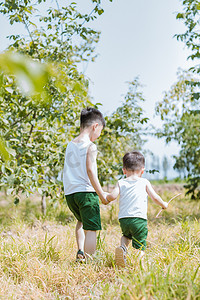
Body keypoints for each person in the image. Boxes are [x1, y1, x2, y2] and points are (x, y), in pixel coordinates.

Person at [105, 151, 168, 267]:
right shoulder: (144, 182)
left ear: (124, 170)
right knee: (140, 245)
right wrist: (164, 204)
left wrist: (106, 196)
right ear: (142, 171)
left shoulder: (121, 182)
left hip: (124, 219)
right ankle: (140, 265)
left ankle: (123, 249)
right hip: (139, 219)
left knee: (126, 236)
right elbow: (155, 197)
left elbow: (112, 196)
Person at [63, 107, 107, 262]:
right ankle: (90, 262)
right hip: (86, 193)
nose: (98, 136)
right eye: (99, 132)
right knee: (92, 229)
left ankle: (81, 252)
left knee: (81, 222)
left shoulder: (70, 144)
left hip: (70, 194)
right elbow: (90, 171)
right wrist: (102, 194)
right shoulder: (90, 146)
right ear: (95, 126)